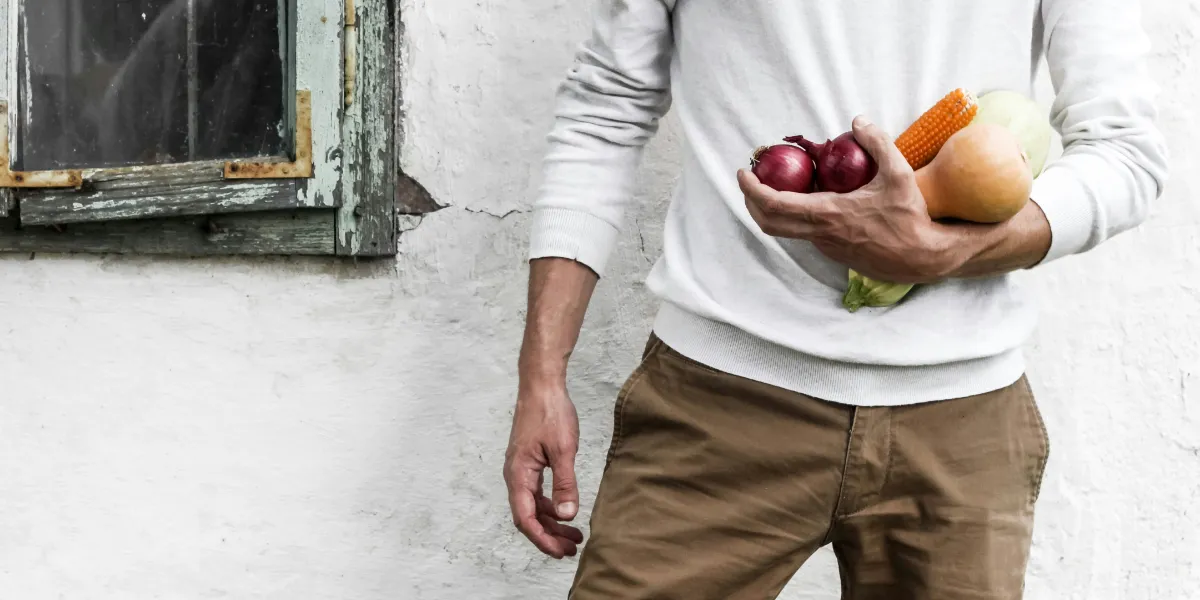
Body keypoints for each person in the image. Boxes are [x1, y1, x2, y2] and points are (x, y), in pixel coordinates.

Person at [503, 1, 1169, 598]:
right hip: (719, 404)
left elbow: (1124, 151)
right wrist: (541, 376)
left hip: (963, 430)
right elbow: (605, 111)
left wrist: (950, 250)